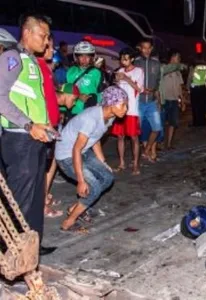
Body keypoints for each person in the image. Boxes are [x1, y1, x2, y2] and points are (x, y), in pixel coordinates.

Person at [0, 13, 58, 255]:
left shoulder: (32, 61)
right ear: (27, 32)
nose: (46, 41)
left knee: (35, 197)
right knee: (20, 200)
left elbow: (32, 100)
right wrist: (28, 125)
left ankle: (32, 247)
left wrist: (44, 125)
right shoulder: (12, 59)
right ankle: (9, 254)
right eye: (43, 35)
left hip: (37, 138)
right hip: (20, 139)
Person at [55, 86, 128, 233]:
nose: (126, 109)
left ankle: (75, 208)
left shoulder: (110, 116)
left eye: (126, 105)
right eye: (123, 104)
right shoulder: (91, 119)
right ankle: (68, 222)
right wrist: (81, 181)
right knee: (92, 187)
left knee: (107, 177)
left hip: (84, 151)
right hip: (67, 156)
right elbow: (76, 149)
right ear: (110, 104)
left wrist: (103, 162)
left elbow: (95, 138)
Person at [36, 33, 77, 218]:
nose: (51, 50)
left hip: (51, 126)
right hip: (44, 128)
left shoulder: (47, 71)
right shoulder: (40, 70)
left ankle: (44, 197)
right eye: (48, 47)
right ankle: (42, 204)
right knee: (44, 168)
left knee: (49, 166)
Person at [110, 48, 144, 175]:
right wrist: (117, 81)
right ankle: (122, 163)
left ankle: (135, 164)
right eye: (122, 59)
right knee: (120, 136)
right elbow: (117, 89)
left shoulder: (138, 71)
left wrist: (126, 78)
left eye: (126, 58)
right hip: (120, 109)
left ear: (132, 59)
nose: (123, 61)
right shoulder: (119, 71)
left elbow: (139, 89)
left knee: (134, 137)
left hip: (132, 109)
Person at [134, 38, 162, 162]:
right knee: (136, 130)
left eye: (148, 48)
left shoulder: (156, 64)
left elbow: (157, 83)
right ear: (140, 48)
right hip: (138, 102)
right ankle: (138, 156)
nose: (146, 50)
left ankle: (147, 150)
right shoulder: (135, 62)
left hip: (151, 102)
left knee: (157, 128)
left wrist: (158, 99)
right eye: (144, 47)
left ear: (151, 49)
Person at [65, 40, 103, 122]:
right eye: (81, 56)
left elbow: (101, 93)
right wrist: (78, 96)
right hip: (73, 110)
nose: (84, 59)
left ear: (92, 57)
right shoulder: (70, 71)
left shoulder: (97, 72)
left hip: (90, 112)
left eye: (87, 56)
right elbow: (64, 91)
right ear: (76, 57)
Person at [159, 49, 186, 150]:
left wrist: (182, 101)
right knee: (161, 123)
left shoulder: (178, 71)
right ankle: (159, 143)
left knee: (173, 123)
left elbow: (180, 87)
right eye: (178, 57)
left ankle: (169, 144)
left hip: (174, 100)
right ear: (173, 57)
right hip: (164, 100)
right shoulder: (164, 69)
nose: (179, 59)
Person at [187, 60, 206, 127]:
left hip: (195, 89)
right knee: (202, 105)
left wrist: (188, 88)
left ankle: (196, 123)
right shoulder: (205, 68)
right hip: (203, 88)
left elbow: (190, 78)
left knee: (195, 106)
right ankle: (203, 122)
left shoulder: (193, 68)